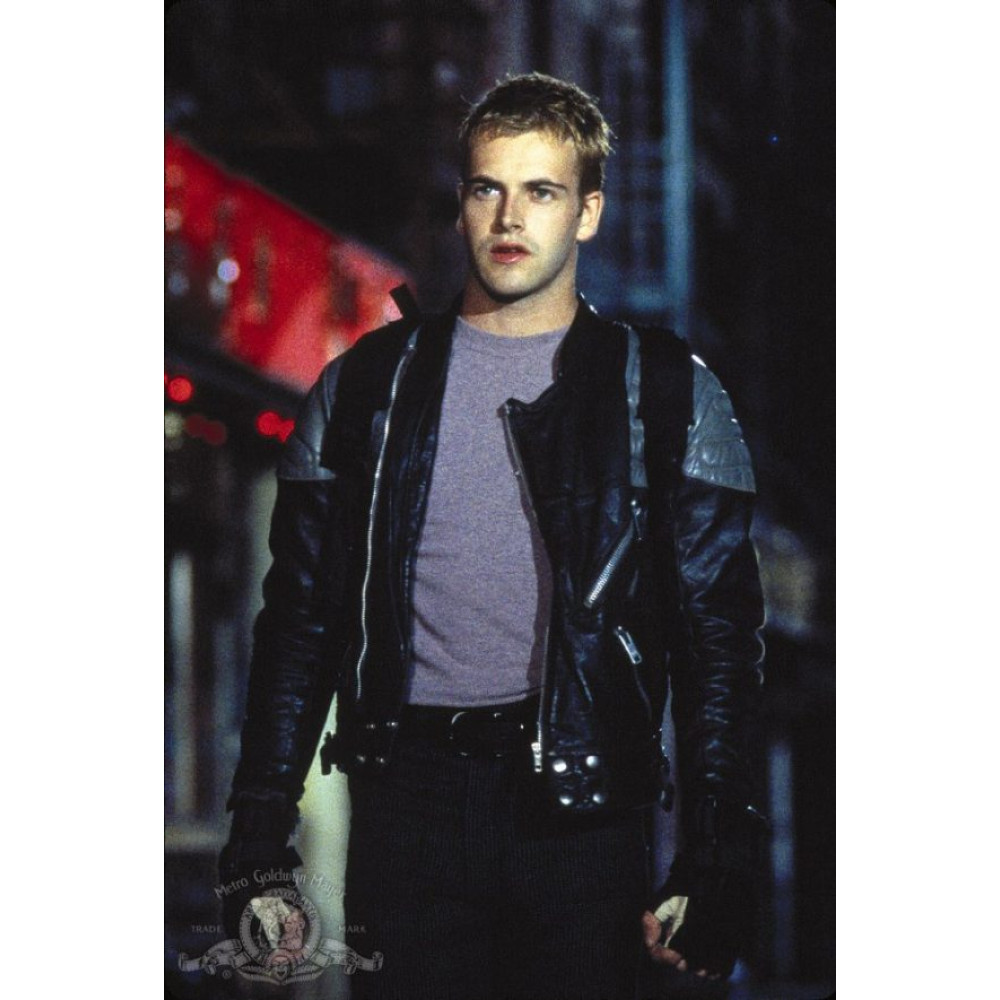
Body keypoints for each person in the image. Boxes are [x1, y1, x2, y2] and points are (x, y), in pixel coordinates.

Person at [220, 72, 767, 1000]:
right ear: (462, 203)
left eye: (542, 191)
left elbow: (720, 643)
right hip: (408, 810)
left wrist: (720, 849)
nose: (510, 218)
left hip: (585, 817)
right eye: (488, 188)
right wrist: (258, 827)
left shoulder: (669, 394)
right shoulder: (366, 389)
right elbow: (300, 623)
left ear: (588, 212)